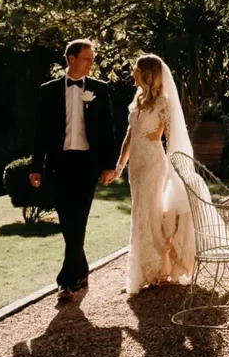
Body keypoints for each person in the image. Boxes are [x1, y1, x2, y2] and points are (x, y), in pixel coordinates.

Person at [29, 39, 119, 301]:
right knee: (68, 220)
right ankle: (80, 269)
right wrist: (36, 167)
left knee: (78, 218)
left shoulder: (99, 89)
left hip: (87, 164)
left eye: (92, 59)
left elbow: (108, 130)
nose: (91, 64)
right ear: (71, 59)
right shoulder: (49, 90)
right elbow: (41, 132)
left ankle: (66, 281)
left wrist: (108, 165)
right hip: (59, 164)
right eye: (86, 59)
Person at [113, 54, 202, 294]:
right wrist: (120, 165)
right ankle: (147, 268)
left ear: (148, 74)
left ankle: (154, 270)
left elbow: (174, 136)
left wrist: (180, 169)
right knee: (140, 212)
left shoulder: (164, 102)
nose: (133, 74)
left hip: (153, 162)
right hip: (136, 166)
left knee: (148, 212)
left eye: (137, 70)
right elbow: (130, 136)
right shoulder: (138, 100)